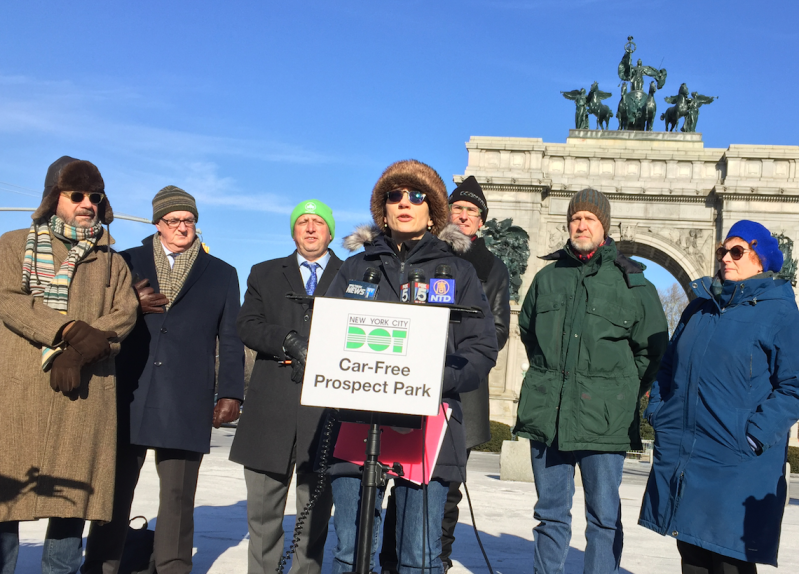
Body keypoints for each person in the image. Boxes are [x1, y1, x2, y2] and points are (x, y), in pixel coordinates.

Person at [323, 159, 498, 574]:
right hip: (356, 422)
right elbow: (325, 333)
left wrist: (440, 377)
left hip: (428, 426)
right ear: (382, 209)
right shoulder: (353, 268)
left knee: (419, 557)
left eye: (416, 195)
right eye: (394, 195)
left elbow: (482, 347)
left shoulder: (460, 272)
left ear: (433, 210)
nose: (404, 202)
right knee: (351, 554)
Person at [82, 186, 244, 574]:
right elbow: (99, 316)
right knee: (115, 492)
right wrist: (131, 306)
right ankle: (102, 564)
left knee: (177, 496)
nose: (183, 227)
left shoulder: (221, 273)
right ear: (158, 224)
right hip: (128, 389)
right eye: (174, 220)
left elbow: (232, 338)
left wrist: (230, 392)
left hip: (189, 396)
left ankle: (172, 566)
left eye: (189, 221)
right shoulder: (126, 262)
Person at [514, 188, 669, 574]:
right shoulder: (546, 278)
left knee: (603, 517)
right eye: (575, 219)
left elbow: (653, 351)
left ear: (605, 227)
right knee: (550, 515)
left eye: (590, 219)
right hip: (548, 418)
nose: (581, 225)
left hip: (605, 421)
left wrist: (620, 390)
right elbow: (528, 331)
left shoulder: (635, 285)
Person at [0, 156, 138, 574]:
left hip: (84, 394)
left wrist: (80, 350)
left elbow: (125, 314)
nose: (87, 204)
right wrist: (69, 331)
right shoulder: (13, 243)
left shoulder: (112, 261)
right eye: (76, 195)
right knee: (6, 501)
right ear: (52, 199)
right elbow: (8, 300)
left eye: (94, 196)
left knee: (70, 504)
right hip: (19, 390)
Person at [639, 220, 799, 574]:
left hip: (738, 464)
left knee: (729, 562)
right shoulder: (698, 309)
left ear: (761, 260)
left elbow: (794, 387)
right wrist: (659, 413)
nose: (726, 257)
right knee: (692, 561)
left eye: (737, 251)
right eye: (722, 251)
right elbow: (668, 367)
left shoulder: (782, 312)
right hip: (688, 458)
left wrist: (753, 435)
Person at [229, 199, 342, 574]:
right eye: (303, 222)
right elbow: (247, 325)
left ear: (330, 231)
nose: (310, 229)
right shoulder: (264, 274)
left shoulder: (351, 274)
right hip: (270, 410)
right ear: (294, 230)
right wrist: (288, 339)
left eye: (318, 223)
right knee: (263, 518)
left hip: (326, 411)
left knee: (314, 521)